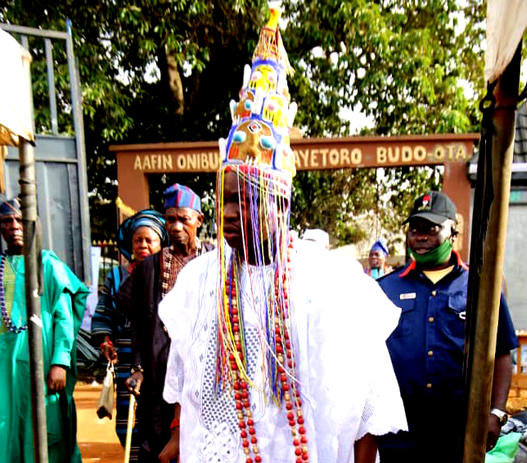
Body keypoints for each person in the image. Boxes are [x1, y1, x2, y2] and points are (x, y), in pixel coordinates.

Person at [159, 7, 408, 463]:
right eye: (227, 198)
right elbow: (185, 387)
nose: (231, 213)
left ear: (281, 202)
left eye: (248, 199)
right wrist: (177, 439)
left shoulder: (332, 282)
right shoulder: (199, 284)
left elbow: (368, 406)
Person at [377, 191, 518, 462]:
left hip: (457, 430)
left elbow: (502, 353)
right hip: (398, 431)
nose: (421, 236)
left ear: (453, 231)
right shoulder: (386, 288)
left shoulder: (480, 288)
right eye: (415, 229)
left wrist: (496, 413)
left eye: (431, 228)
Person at [0, 198, 88, 462]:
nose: (14, 226)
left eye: (20, 220)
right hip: (0, 372)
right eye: (7, 222)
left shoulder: (50, 266)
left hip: (43, 369)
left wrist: (60, 361)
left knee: (44, 433)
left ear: (33, 225)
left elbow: (64, 318)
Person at [123, 184, 212, 463]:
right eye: (170, 219)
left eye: (183, 219)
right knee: (156, 446)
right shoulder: (149, 268)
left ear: (199, 219)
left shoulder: (215, 260)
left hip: (205, 371)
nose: (176, 226)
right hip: (160, 372)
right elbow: (139, 323)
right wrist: (137, 367)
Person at [91, 209, 169, 459]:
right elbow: (105, 313)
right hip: (125, 357)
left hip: (160, 357)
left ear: (161, 243)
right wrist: (106, 342)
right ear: (130, 243)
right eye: (138, 240)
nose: (144, 245)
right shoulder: (116, 276)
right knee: (128, 419)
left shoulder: (168, 275)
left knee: (160, 415)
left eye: (150, 240)